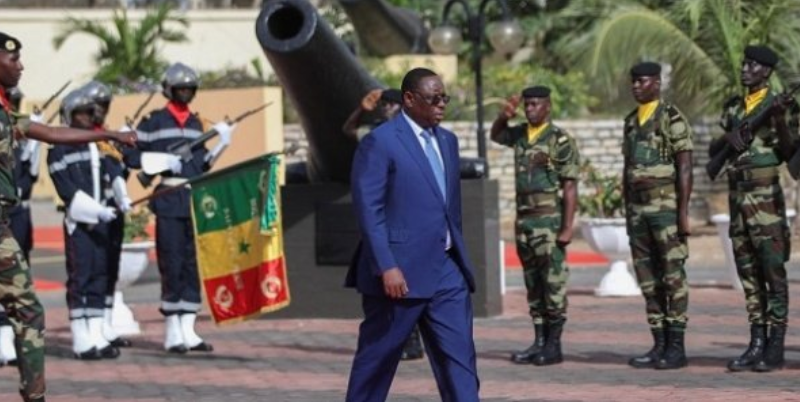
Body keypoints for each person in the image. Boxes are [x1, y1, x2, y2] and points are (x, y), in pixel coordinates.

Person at [0, 31, 136, 402]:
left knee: (28, 312)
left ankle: (35, 395)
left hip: (2, 231)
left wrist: (108, 134)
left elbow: (52, 133)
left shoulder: (6, 114)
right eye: (13, 60)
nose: (21, 66)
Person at [345, 67, 480, 402]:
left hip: (447, 271)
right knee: (377, 361)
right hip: (399, 274)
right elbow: (369, 210)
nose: (441, 105)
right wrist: (386, 265)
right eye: (434, 99)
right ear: (409, 99)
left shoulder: (448, 141)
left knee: (460, 361)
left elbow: (449, 208)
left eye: (444, 98)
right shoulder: (380, 142)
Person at [124, 62, 234, 354]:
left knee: (190, 264)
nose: (185, 92)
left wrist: (221, 144)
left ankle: (189, 328)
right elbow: (133, 157)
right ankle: (173, 331)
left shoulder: (197, 124)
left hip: (193, 197)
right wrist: (158, 159)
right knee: (172, 263)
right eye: (180, 88)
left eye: (189, 88)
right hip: (169, 197)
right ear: (169, 90)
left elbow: (200, 165)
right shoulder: (154, 121)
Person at [709, 45, 797, 373]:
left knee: (772, 270)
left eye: (753, 64)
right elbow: (715, 149)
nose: (745, 68)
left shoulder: (784, 106)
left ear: (767, 72)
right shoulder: (734, 106)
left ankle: (775, 346)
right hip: (737, 198)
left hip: (765, 201)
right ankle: (756, 342)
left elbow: (793, 160)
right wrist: (730, 138)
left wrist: (779, 120)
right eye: (744, 62)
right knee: (748, 272)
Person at [490, 86, 579, 366]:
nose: (530, 109)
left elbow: (570, 186)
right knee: (533, 283)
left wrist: (566, 228)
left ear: (548, 107)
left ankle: (554, 345)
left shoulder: (559, 139)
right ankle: (539, 340)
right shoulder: (518, 135)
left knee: (553, 283)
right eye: (527, 105)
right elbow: (495, 134)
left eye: (535, 104)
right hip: (524, 221)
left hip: (549, 221)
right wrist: (503, 117)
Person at [343, 87, 424, 361]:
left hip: (406, 216)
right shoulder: (376, 135)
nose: (388, 109)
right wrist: (362, 108)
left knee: (408, 281)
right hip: (384, 216)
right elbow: (348, 130)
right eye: (386, 105)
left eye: (392, 105)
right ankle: (402, 340)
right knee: (388, 283)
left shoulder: (414, 135)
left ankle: (412, 341)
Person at [48, 88, 129, 361]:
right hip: (80, 222)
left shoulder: (99, 145)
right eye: (79, 112)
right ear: (69, 115)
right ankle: (80, 337)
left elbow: (114, 172)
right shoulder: (58, 148)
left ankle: (95, 332)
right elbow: (67, 190)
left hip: (103, 219)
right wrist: (96, 211)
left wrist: (122, 197)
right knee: (80, 277)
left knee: (100, 275)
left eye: (89, 112)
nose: (85, 117)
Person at [623, 61, 693, 370]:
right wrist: (627, 211)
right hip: (638, 213)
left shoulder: (671, 117)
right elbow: (627, 169)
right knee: (648, 279)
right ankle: (659, 343)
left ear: (657, 83)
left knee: (672, 277)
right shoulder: (630, 122)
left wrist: (682, 214)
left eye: (643, 81)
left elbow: (685, 167)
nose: (637, 86)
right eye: (634, 81)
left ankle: (676, 347)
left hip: (664, 210)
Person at [82, 80, 134, 349]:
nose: (101, 111)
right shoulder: (83, 137)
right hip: (90, 212)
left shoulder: (108, 138)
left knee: (109, 268)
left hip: (113, 210)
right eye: (96, 106)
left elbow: (120, 171)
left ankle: (105, 323)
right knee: (92, 269)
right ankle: (89, 329)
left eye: (104, 106)